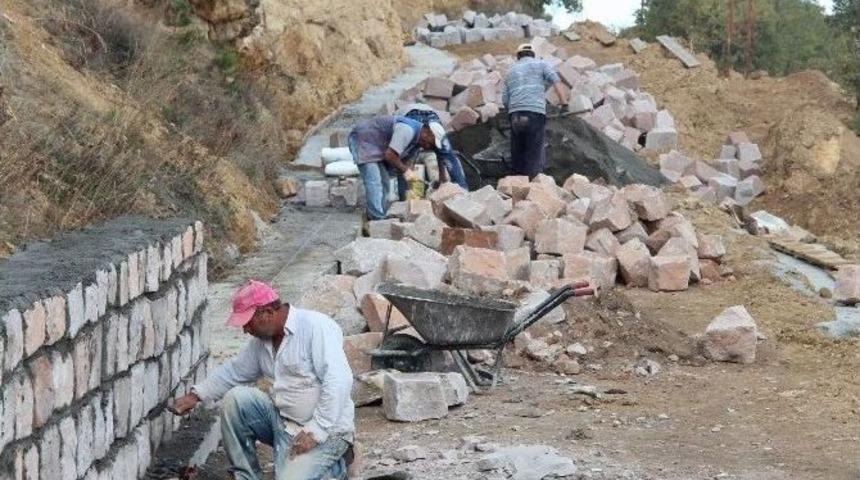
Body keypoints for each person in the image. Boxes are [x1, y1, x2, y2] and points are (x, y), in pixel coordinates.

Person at [169, 280, 355, 480]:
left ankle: (337, 465)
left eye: (248, 323)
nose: (245, 330)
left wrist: (316, 431)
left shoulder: (315, 326)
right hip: (284, 424)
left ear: (267, 312)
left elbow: (338, 381)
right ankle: (245, 476)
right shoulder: (262, 343)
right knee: (236, 399)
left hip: (327, 431)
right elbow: (234, 372)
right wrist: (196, 395)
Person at [348, 115, 446, 220]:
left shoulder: (417, 141)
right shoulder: (407, 130)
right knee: (374, 180)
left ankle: (379, 212)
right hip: (363, 140)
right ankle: (376, 218)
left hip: (378, 147)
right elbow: (390, 155)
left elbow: (407, 163)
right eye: (430, 143)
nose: (428, 147)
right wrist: (406, 171)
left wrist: (414, 191)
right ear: (426, 132)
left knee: (384, 180)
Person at [501, 43, 568, 179]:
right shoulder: (542, 65)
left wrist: (515, 108)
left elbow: (504, 100)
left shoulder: (510, 71)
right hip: (534, 113)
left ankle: (516, 187)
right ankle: (534, 189)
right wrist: (564, 104)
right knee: (534, 154)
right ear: (533, 55)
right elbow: (556, 82)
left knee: (518, 155)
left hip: (515, 116)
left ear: (518, 56)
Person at [397, 103, 470, 190]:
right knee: (449, 158)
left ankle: (405, 198)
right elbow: (442, 154)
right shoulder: (400, 126)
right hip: (427, 118)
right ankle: (463, 191)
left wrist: (442, 178)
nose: (426, 146)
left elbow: (439, 154)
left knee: (405, 163)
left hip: (417, 117)